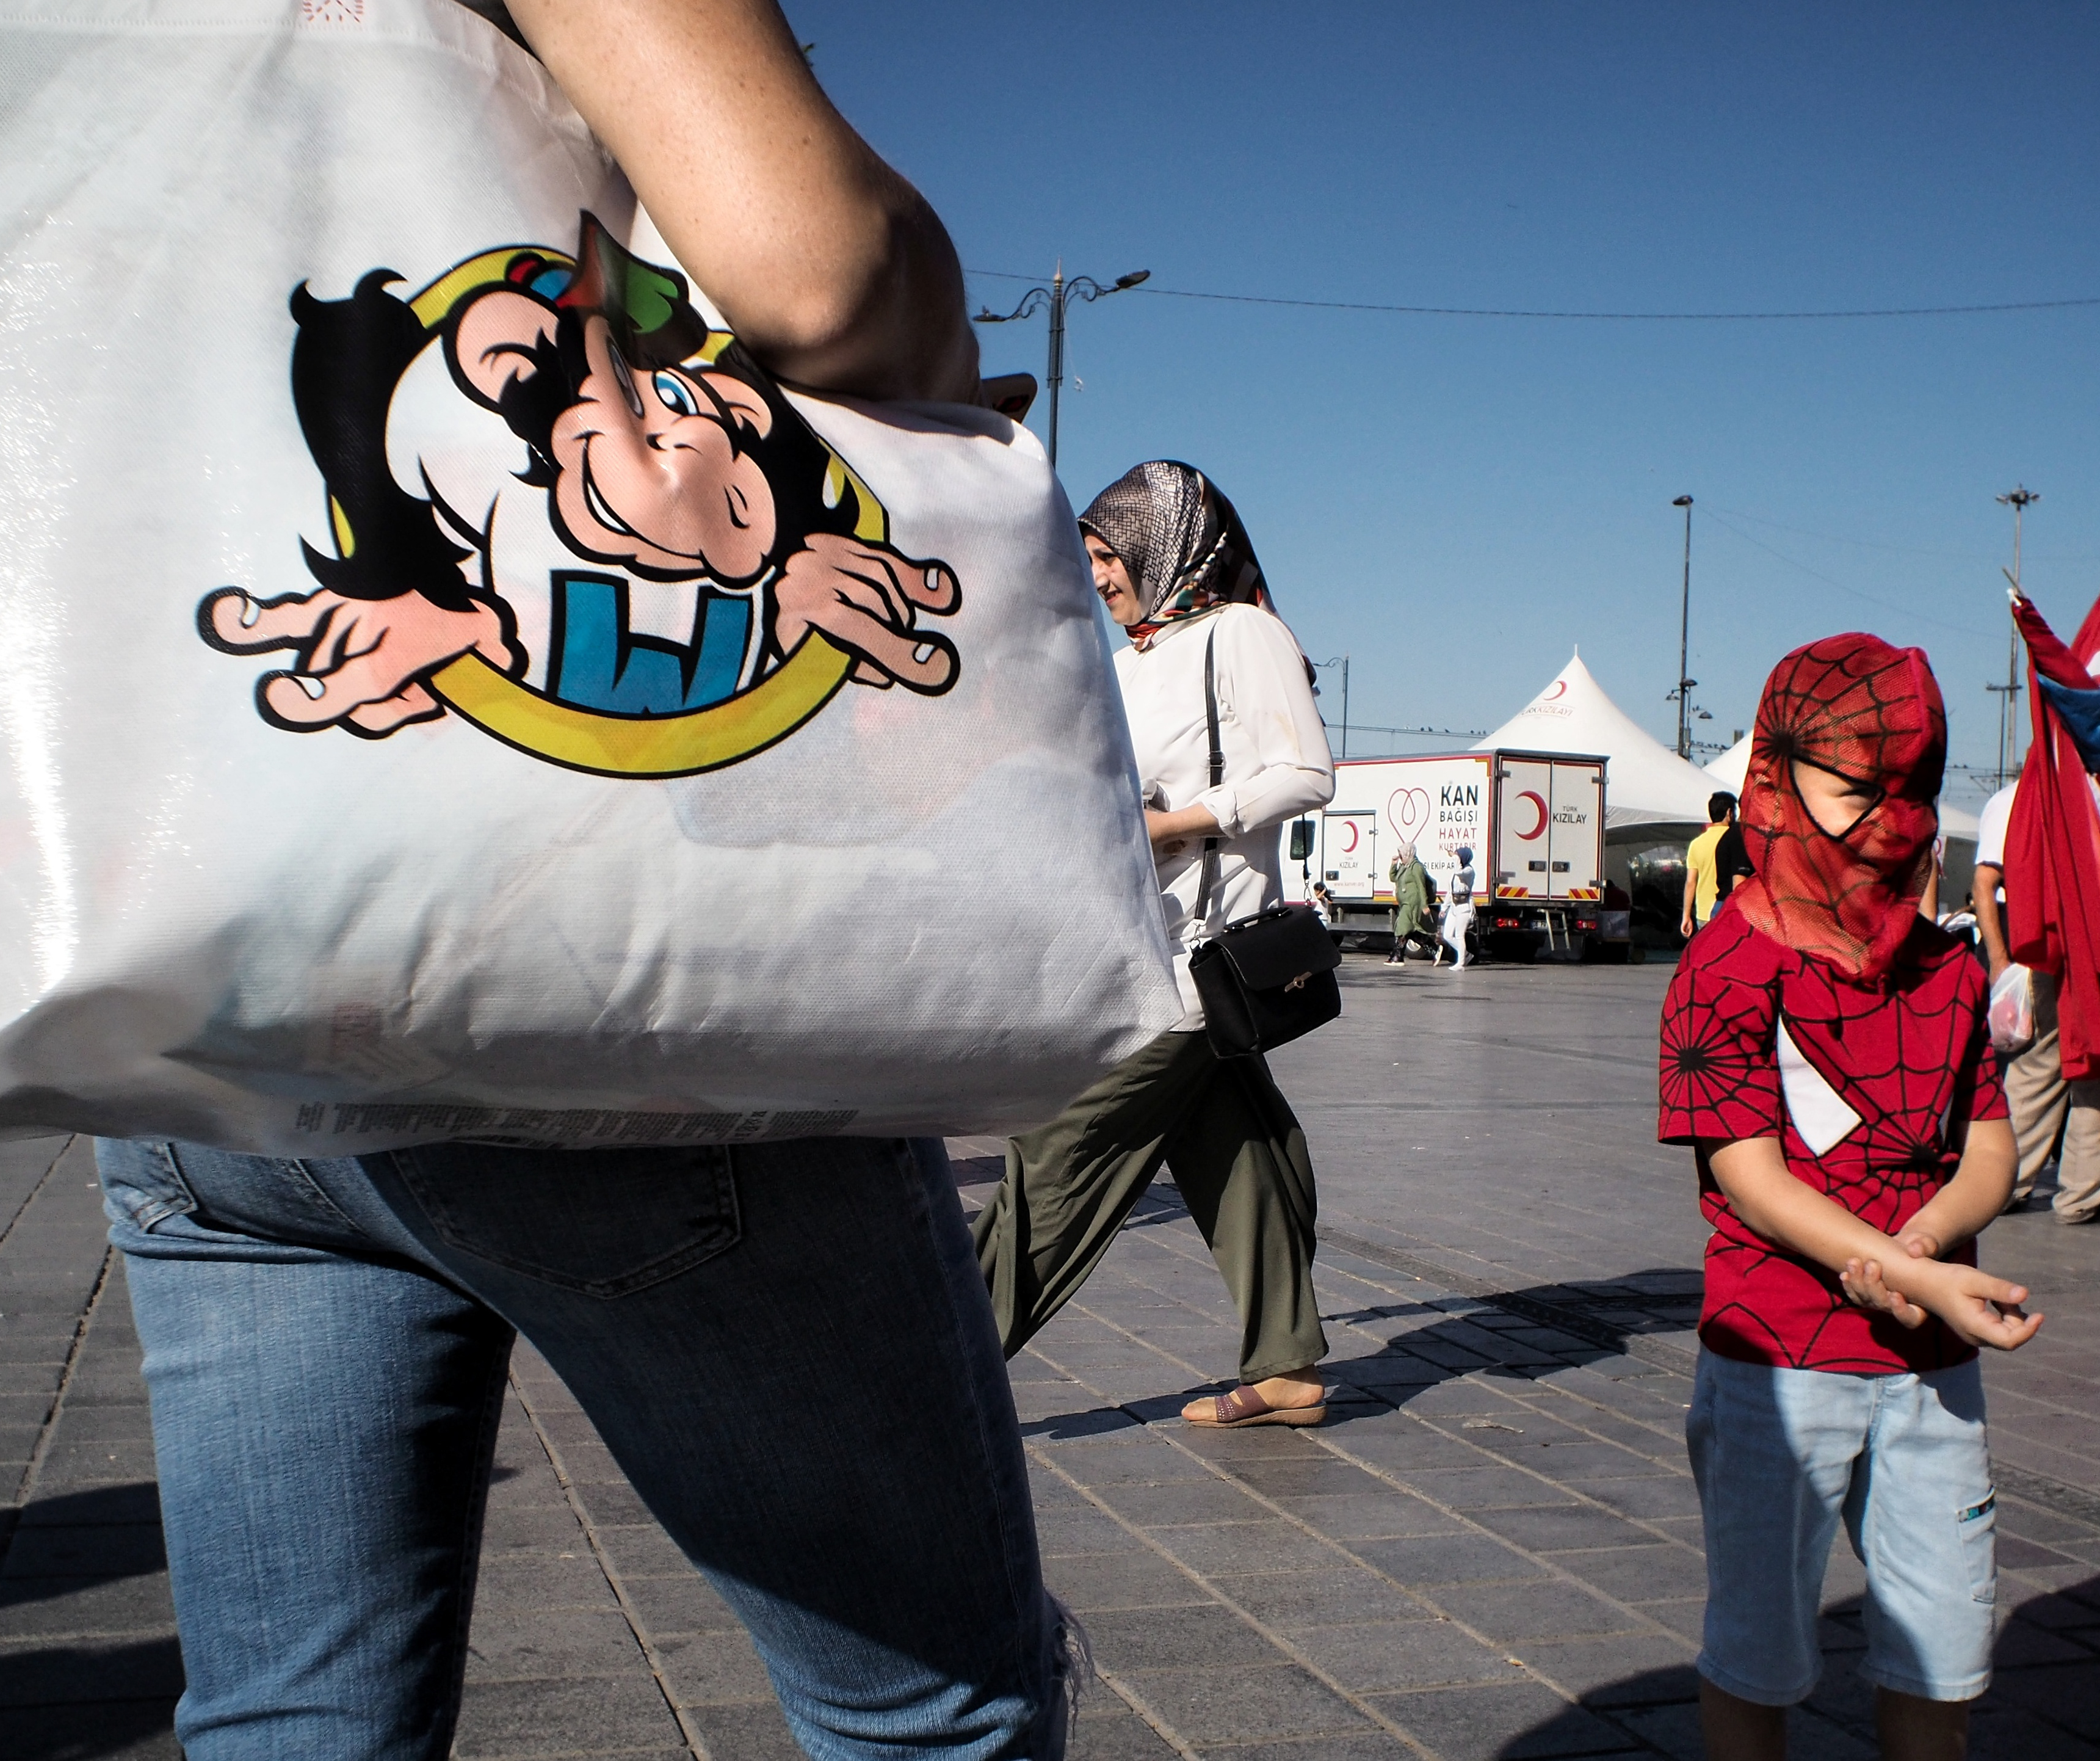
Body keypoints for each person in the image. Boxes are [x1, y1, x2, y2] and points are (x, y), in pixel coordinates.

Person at [89, 5, 1071, 1756]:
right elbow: (822, 275)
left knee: (291, 1720)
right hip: (615, 1021)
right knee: (933, 1707)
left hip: (217, 991)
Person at [1658, 633, 2042, 1761]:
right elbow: (1749, 1172)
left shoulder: (1951, 968)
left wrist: (1921, 1240)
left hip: (1932, 1371)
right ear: (1776, 783)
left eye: (1915, 789)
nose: (1893, 821)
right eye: (1858, 789)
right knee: (1756, 1654)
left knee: (1943, 1653)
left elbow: (1990, 1149)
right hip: (1774, 1363)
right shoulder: (1722, 967)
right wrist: (1920, 1266)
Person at [971, 461, 1335, 1429]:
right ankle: (1289, 1363)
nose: (1097, 576)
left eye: (1108, 554)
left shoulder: (1240, 634)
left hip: (1198, 958)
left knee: (1061, 1141)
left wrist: (1179, 828)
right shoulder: (1133, 658)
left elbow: (1306, 773)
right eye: (1087, 557)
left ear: (1164, 544)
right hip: (1135, 945)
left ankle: (937, 1368)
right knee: (1235, 1148)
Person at [1971, 778, 2100, 1222]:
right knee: (2093, 1069)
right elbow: (1986, 883)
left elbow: (1985, 881)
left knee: (2039, 1068)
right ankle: (2081, 1195)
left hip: (2052, 942)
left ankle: (2004, 1184)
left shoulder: (2016, 797)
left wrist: (2001, 960)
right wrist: (1999, 960)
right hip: (2071, 943)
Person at [1682, 791, 1739, 937]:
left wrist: (1686, 916)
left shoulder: (1696, 844)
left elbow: (1691, 882)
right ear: (1729, 812)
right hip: (1729, 910)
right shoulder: (1736, 838)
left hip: (1703, 914)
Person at [1388, 844, 1435, 965]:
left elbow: (1421, 886)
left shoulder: (1416, 867)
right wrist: (1394, 864)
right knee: (1410, 931)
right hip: (1405, 903)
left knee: (1402, 928)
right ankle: (1435, 949)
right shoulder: (1405, 867)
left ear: (1409, 853)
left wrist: (1424, 905)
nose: (1401, 857)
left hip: (1413, 903)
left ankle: (1397, 957)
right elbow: (1393, 878)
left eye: (1402, 854)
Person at [1435, 844, 1477, 969]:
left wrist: (1455, 857)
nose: (1455, 857)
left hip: (1464, 907)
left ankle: (1461, 963)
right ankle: (1466, 955)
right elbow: (1451, 891)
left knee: (1459, 935)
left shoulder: (1469, 871)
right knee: (1447, 935)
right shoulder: (1455, 873)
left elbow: (1459, 873)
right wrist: (1444, 908)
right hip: (1454, 906)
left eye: (1459, 855)